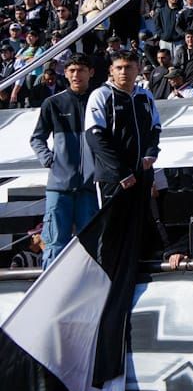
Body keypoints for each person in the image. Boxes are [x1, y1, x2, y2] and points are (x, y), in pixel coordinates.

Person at [29, 53, 98, 267]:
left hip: (90, 187)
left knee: (92, 245)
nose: (76, 75)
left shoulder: (99, 101)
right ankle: (50, 293)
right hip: (59, 187)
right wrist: (50, 160)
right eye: (72, 71)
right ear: (66, 74)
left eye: (81, 70)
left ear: (91, 72)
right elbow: (37, 138)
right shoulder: (53, 103)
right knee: (55, 244)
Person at [82, 50, 161, 204]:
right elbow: (95, 138)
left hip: (142, 174)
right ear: (111, 70)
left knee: (141, 225)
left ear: (137, 69)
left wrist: (151, 153)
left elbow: (155, 128)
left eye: (128, 67)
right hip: (114, 178)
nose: (124, 72)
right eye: (119, 68)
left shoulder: (146, 96)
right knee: (112, 226)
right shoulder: (101, 95)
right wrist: (121, 172)